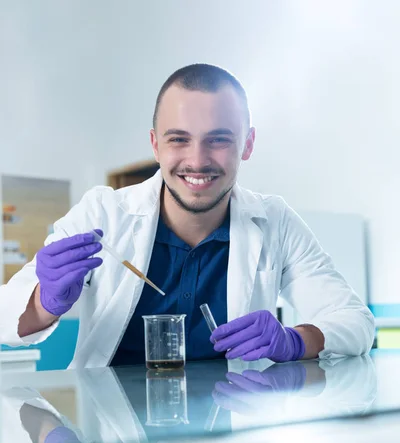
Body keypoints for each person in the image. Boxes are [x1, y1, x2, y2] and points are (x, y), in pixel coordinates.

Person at [0, 63, 374, 368]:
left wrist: (295, 340)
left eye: (219, 139)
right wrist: (44, 301)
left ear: (247, 144)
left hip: (233, 438)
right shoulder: (102, 215)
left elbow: (356, 322)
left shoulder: (275, 221)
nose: (197, 161)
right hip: (114, 439)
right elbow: (5, 319)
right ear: (155, 145)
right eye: (179, 139)